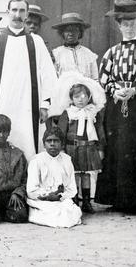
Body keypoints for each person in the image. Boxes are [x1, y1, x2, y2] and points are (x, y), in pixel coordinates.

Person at [96, 0, 136, 214]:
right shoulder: (112, 52)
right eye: (125, 24)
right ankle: (120, 200)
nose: (129, 28)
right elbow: (104, 79)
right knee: (119, 149)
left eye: (133, 23)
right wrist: (115, 90)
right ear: (119, 25)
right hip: (117, 105)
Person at [0, 0, 57, 160]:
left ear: (27, 14)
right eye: (14, 10)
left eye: (22, 11)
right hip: (2, 103)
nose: (17, 14)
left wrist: (44, 105)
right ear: (8, 12)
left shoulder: (36, 42)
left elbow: (48, 75)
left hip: (28, 106)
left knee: (28, 143)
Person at [51, 75, 106, 213]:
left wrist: (100, 148)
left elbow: (100, 131)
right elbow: (61, 132)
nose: (80, 99)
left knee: (86, 174)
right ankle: (75, 200)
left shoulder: (93, 112)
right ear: (71, 98)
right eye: (77, 97)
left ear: (89, 96)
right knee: (74, 174)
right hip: (72, 148)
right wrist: (61, 149)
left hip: (88, 147)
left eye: (83, 96)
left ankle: (86, 201)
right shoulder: (68, 113)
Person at [27, 127, 83, 228]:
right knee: (52, 214)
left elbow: (72, 188)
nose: (52, 144)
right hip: (41, 201)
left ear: (62, 144)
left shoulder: (66, 160)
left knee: (71, 212)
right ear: (44, 144)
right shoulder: (36, 161)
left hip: (61, 200)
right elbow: (31, 190)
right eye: (49, 141)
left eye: (56, 141)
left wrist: (60, 196)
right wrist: (47, 196)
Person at [52, 13, 98, 80]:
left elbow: (95, 78)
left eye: (74, 30)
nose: (70, 33)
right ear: (62, 33)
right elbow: (53, 78)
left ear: (79, 32)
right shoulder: (56, 54)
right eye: (67, 30)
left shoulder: (88, 54)